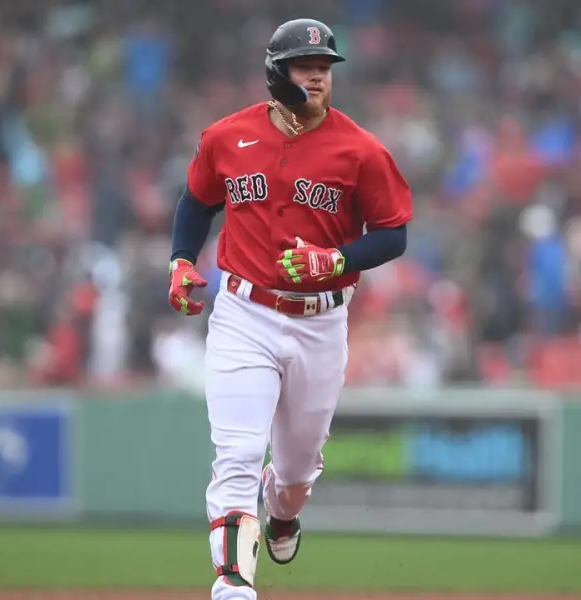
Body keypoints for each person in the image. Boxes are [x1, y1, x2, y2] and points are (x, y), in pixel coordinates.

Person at [166, 18, 412, 600]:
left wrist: (337, 260)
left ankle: (283, 512)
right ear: (278, 73)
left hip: (321, 322)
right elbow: (197, 202)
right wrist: (180, 258)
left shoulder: (361, 149)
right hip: (244, 315)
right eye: (307, 67)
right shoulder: (227, 136)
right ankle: (231, 583)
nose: (319, 78)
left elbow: (394, 234)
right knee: (239, 454)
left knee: (297, 473)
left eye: (325, 68)